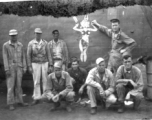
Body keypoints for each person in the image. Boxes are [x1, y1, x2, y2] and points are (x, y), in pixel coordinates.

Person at [2, 29, 28, 110]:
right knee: (10, 86)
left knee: (19, 85)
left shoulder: (20, 45)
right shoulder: (6, 45)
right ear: (10, 36)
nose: (14, 37)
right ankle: (10, 103)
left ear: (17, 35)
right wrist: (6, 69)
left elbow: (23, 57)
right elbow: (5, 58)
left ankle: (20, 101)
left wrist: (24, 67)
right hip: (10, 67)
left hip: (19, 67)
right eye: (12, 35)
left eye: (15, 35)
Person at [27, 28, 52, 105]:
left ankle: (45, 96)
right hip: (35, 63)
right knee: (36, 81)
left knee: (45, 80)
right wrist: (29, 66)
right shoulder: (31, 43)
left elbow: (49, 54)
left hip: (44, 63)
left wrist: (50, 65)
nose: (38, 35)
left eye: (39, 33)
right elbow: (28, 55)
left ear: (41, 34)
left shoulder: (45, 43)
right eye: (36, 33)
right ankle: (37, 97)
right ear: (34, 34)